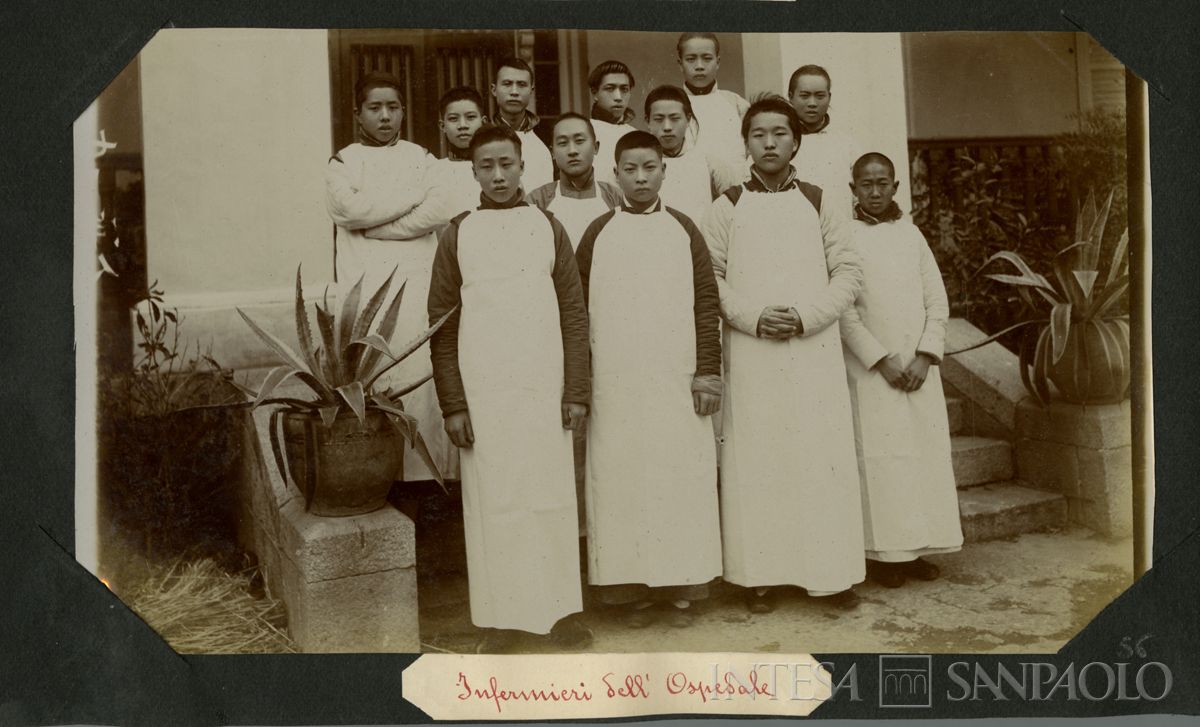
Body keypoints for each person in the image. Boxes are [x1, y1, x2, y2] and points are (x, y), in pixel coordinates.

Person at [427, 124, 592, 654]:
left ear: (524, 166)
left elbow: (573, 312)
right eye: (486, 167)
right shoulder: (458, 233)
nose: (498, 176)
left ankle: (562, 612)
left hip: (544, 390)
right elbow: (442, 325)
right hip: (485, 394)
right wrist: (454, 403)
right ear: (472, 171)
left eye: (507, 165)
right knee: (494, 504)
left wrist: (575, 391)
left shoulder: (549, 227)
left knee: (551, 499)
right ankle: (501, 619)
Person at [703, 95, 866, 613]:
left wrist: (806, 316)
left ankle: (831, 575)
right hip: (753, 355)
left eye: (779, 133)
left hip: (812, 352)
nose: (769, 142)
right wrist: (752, 317)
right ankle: (760, 576)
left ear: (796, 141)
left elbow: (848, 272)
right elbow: (710, 279)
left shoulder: (821, 200)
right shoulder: (727, 205)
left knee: (819, 459)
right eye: (758, 134)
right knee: (759, 461)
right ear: (745, 143)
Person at [574, 130, 723, 629]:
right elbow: (575, 311)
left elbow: (707, 303)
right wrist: (582, 382)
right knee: (621, 481)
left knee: (677, 479)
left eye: (650, 168)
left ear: (665, 171)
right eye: (630, 170)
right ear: (614, 174)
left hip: (674, 381)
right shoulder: (598, 232)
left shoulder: (685, 229)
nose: (641, 178)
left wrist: (707, 373)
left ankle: (680, 587)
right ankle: (629, 590)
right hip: (615, 385)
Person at [839, 152, 963, 587]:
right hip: (873, 371)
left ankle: (915, 550)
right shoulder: (844, 238)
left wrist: (926, 356)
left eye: (882, 183)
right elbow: (845, 310)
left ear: (895, 187)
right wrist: (880, 359)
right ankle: (882, 555)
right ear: (852, 189)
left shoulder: (912, 237)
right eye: (866, 184)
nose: (875, 191)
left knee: (920, 458)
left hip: (918, 371)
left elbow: (937, 302)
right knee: (879, 460)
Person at [325, 71, 451, 483]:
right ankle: (385, 479)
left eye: (393, 107)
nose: (385, 117)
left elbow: (439, 210)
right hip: (368, 289)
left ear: (403, 112)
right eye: (375, 108)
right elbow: (348, 211)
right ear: (357, 114)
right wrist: (413, 197)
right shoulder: (343, 161)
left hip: (417, 287)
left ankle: (429, 482)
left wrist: (379, 227)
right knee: (379, 375)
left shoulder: (422, 157)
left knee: (421, 381)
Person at [644, 85, 741, 227]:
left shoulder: (710, 164)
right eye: (659, 119)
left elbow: (737, 210)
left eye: (675, 118)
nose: (667, 127)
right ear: (648, 122)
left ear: (688, 119)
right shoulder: (638, 168)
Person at [528, 113, 623, 248]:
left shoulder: (616, 198)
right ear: (553, 152)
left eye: (579, 141)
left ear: (595, 147)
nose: (572, 151)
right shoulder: (537, 201)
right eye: (562, 143)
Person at [787, 65, 863, 220]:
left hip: (841, 234)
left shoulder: (847, 145)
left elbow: (861, 196)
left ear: (829, 97)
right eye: (805, 95)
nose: (812, 103)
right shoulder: (780, 142)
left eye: (820, 96)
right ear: (791, 96)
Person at [676, 33, 750, 176]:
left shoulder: (736, 104)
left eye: (707, 58)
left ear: (718, 62)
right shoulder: (671, 104)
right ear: (680, 64)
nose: (699, 66)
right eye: (691, 59)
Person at [490, 57, 555, 194]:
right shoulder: (483, 136)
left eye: (521, 84)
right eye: (507, 84)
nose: (514, 92)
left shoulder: (548, 136)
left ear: (531, 90)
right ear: (494, 90)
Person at [587, 60, 639, 187]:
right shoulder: (584, 132)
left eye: (624, 89)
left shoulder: (636, 135)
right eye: (610, 89)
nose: (618, 97)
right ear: (595, 93)